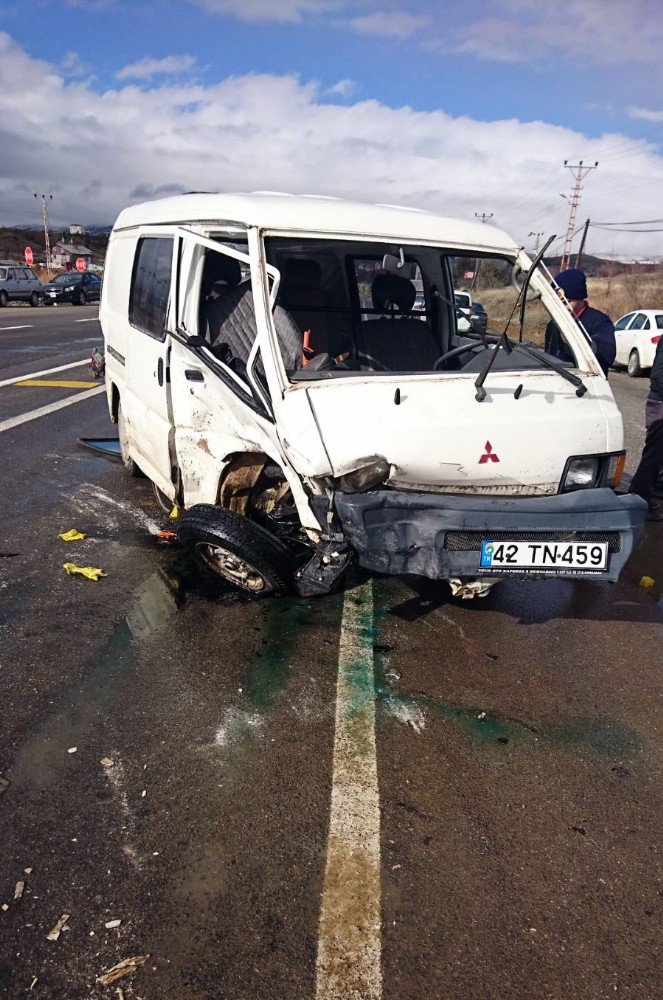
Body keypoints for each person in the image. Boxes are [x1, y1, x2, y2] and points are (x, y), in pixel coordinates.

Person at [544, 267, 616, 375]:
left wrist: (572, 339)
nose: (561, 307)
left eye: (565, 302)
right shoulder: (553, 325)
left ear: (580, 298)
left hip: (586, 386)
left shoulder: (600, 322)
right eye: (556, 302)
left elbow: (607, 358)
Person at [629, 334, 663, 521]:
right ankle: (640, 497)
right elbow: (658, 375)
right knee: (654, 454)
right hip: (660, 403)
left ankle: (656, 487)